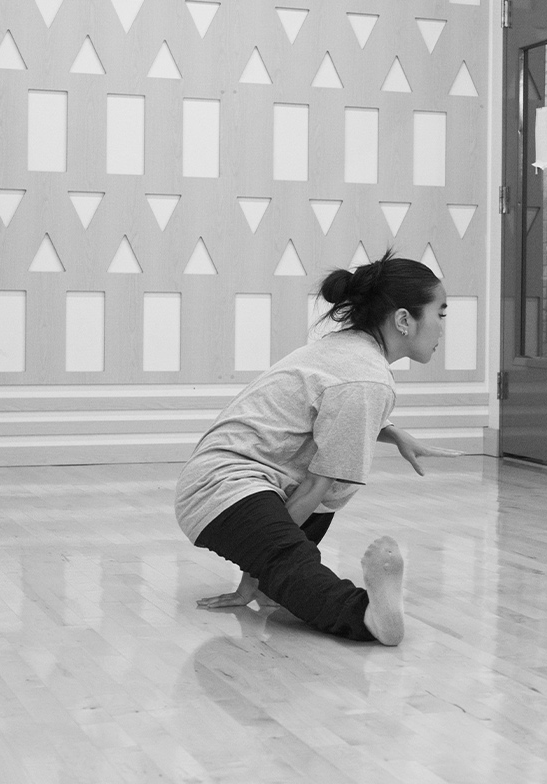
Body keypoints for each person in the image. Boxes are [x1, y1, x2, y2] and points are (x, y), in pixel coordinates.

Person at [175, 252, 462, 644]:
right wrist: (261, 568)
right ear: (403, 320)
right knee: (315, 509)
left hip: (248, 482)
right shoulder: (365, 377)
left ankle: (273, 586)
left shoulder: (348, 350)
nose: (443, 327)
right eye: (440, 314)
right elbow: (313, 486)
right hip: (224, 488)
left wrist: (394, 433)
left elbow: (324, 414)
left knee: (321, 505)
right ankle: (367, 617)